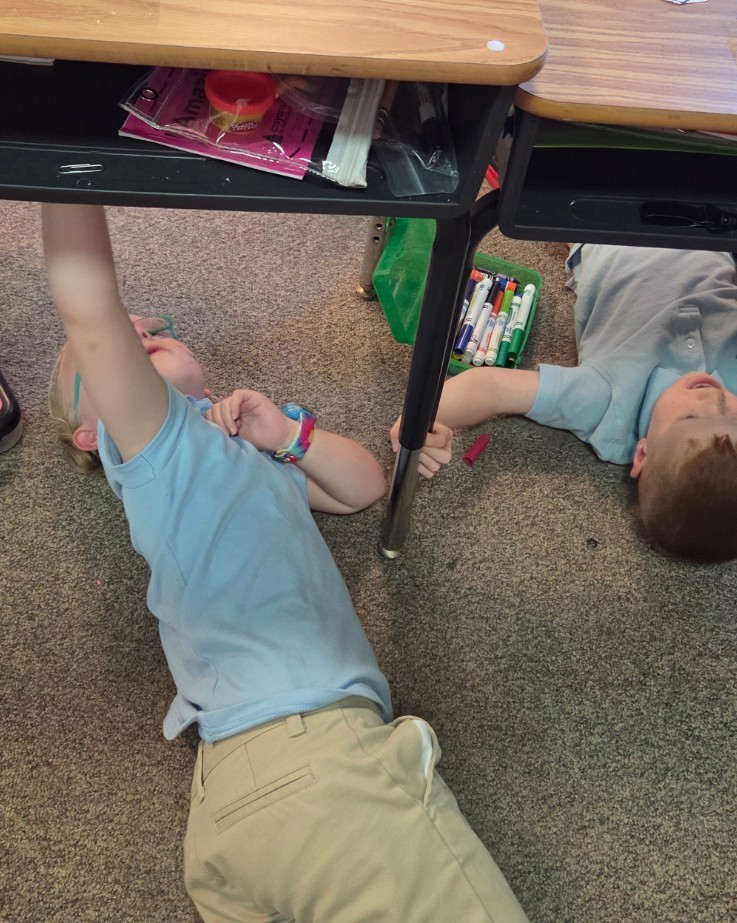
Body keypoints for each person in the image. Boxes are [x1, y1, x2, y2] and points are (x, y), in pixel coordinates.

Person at [43, 202, 528, 923]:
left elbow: (362, 488)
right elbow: (89, 310)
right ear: (93, 433)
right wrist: (67, 169)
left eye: (155, 327)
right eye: (122, 343)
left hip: (237, 798)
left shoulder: (244, 455)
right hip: (306, 758)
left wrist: (287, 437)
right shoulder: (158, 452)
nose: (140, 331)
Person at [392, 244, 737, 563]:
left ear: (642, 453)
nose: (713, 396)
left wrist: (417, 425)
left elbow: (491, 389)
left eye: (689, 416)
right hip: (703, 214)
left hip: (610, 222)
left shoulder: (605, 406)